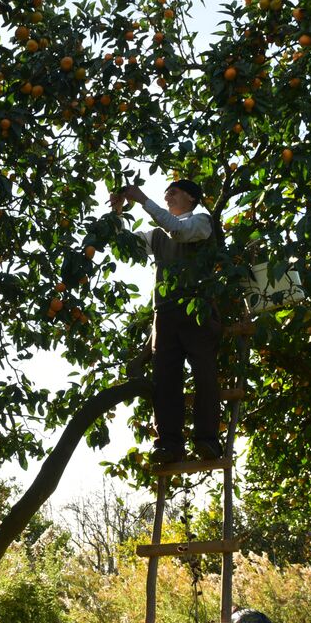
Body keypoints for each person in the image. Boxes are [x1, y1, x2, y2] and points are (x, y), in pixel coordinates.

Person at [109, 179, 223, 465]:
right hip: (165, 313)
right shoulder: (158, 233)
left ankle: (207, 439)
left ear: (192, 198)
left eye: (175, 191)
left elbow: (180, 231)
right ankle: (169, 443)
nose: (169, 194)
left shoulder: (201, 221)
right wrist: (118, 213)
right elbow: (127, 247)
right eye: (166, 192)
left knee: (204, 375)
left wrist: (145, 200)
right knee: (165, 381)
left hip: (197, 307)